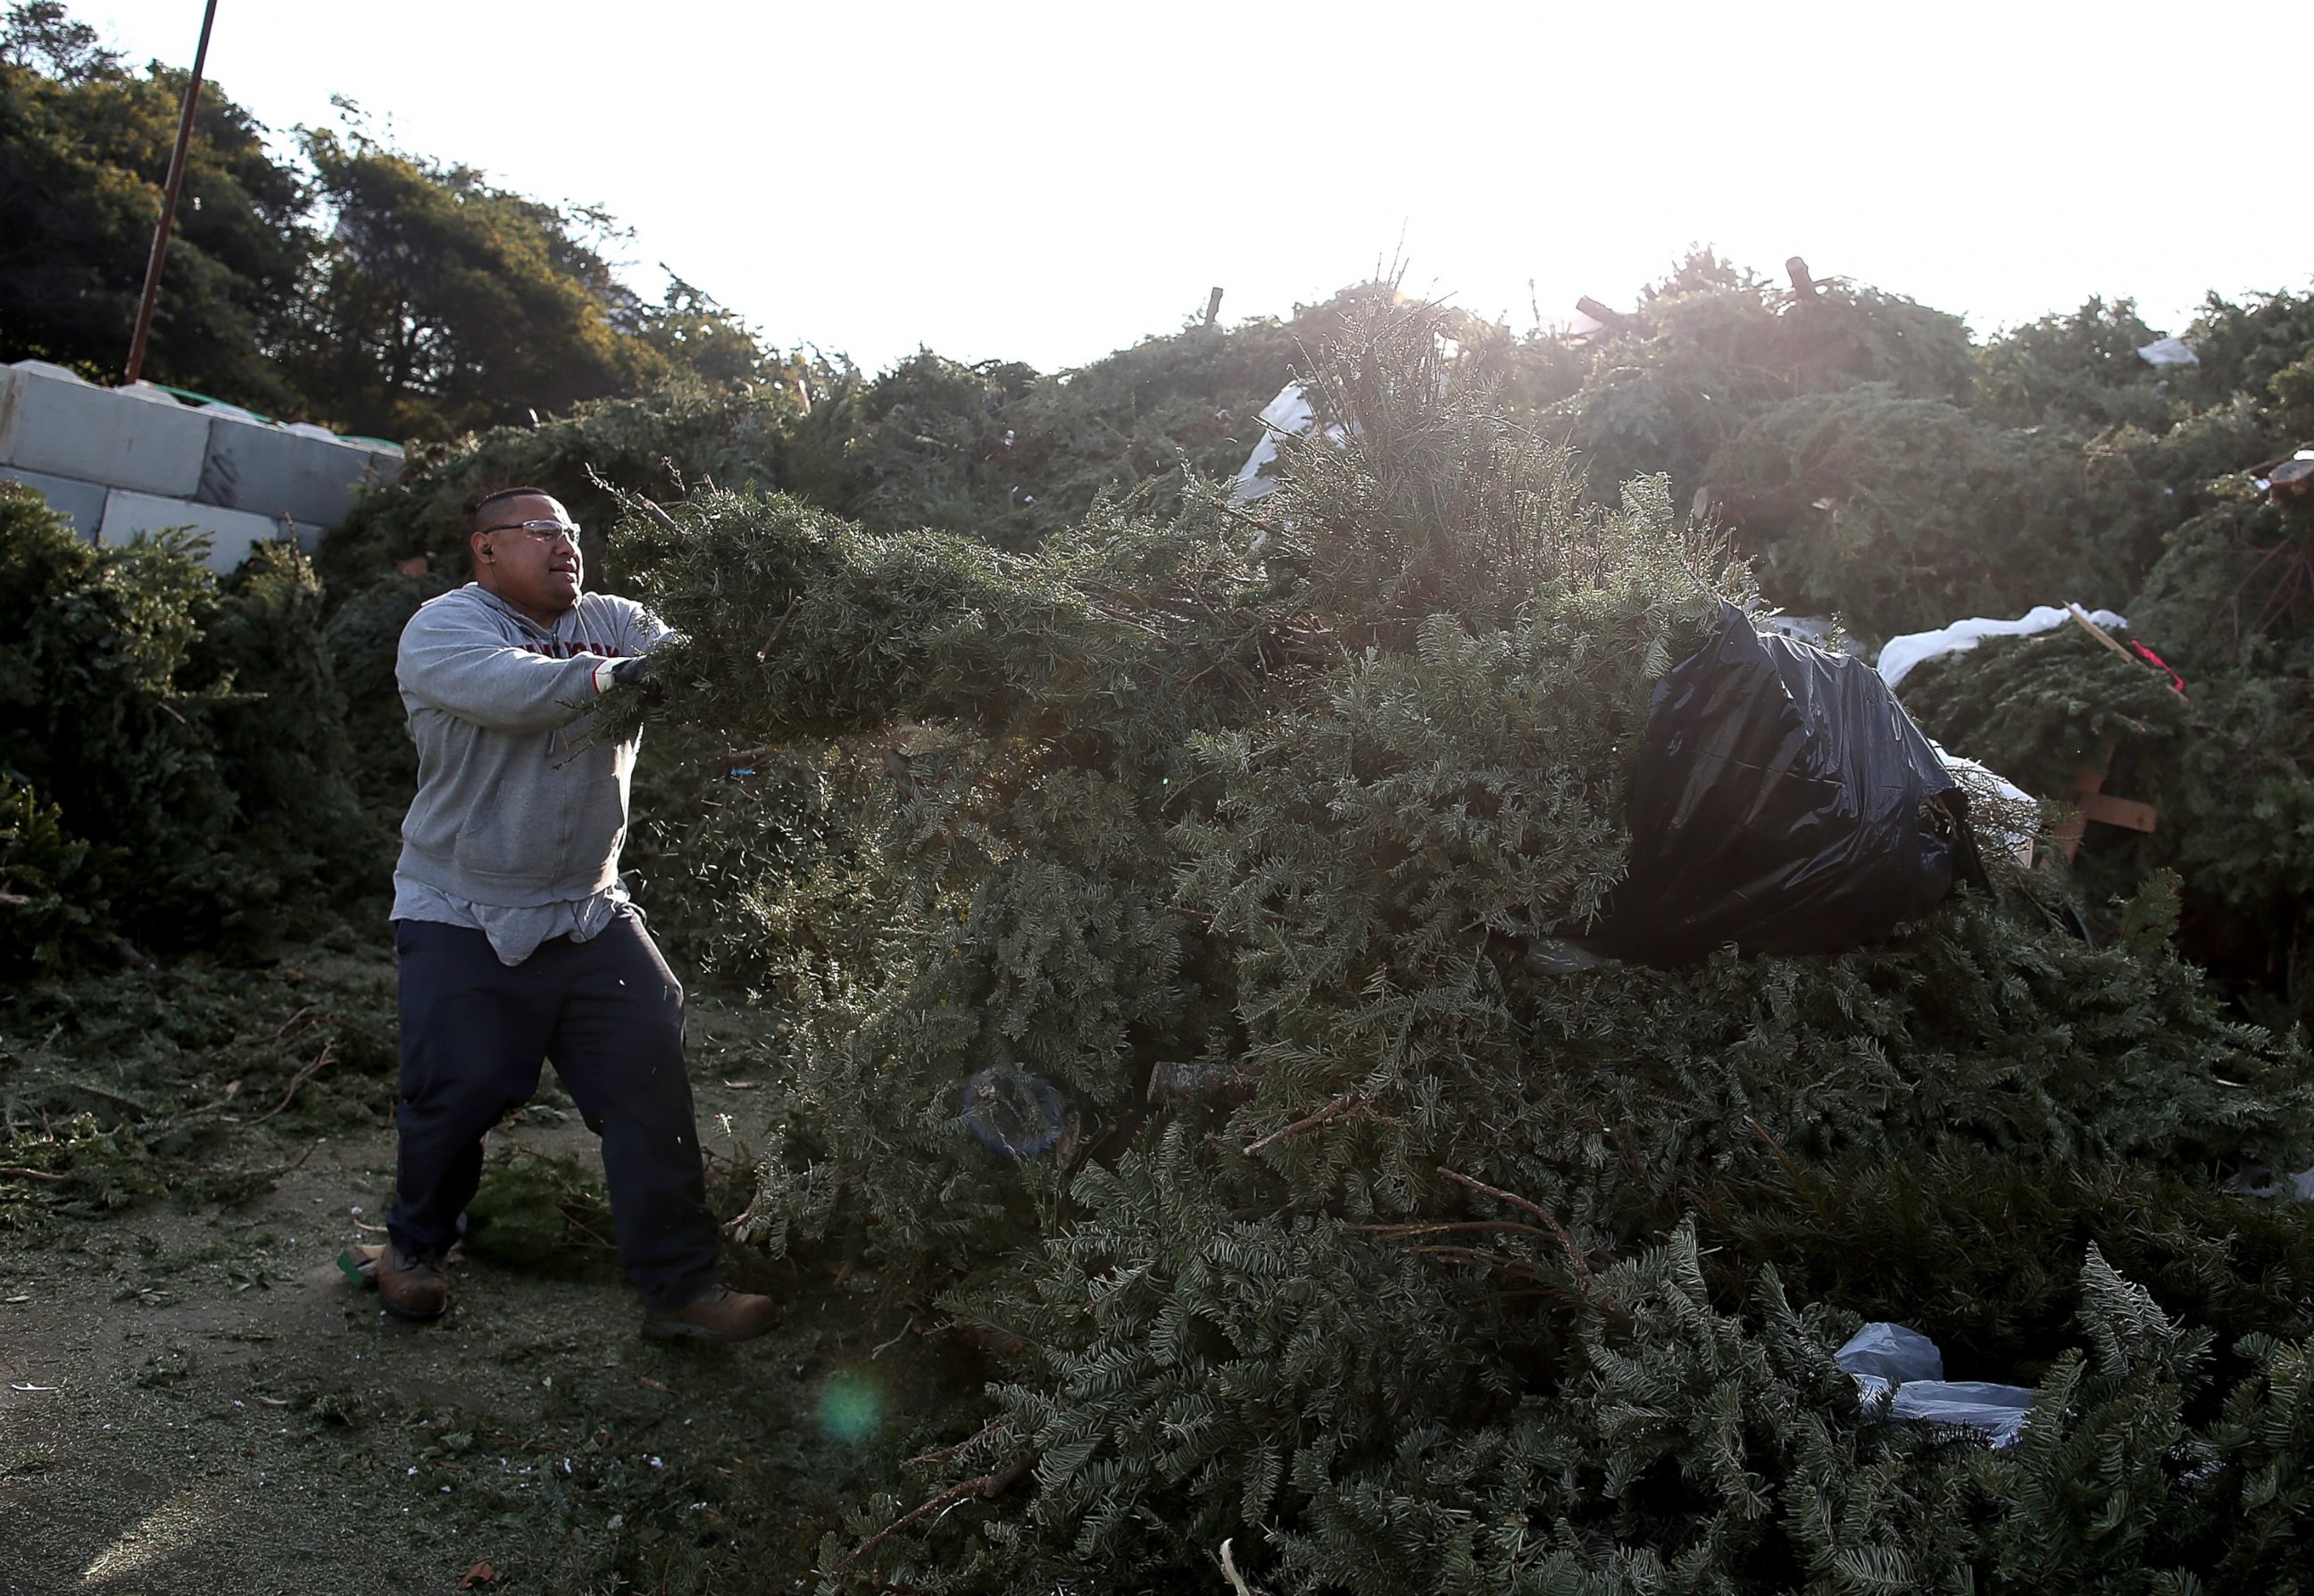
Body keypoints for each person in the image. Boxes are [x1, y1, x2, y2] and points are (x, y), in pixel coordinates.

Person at [377, 486, 773, 1342]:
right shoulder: (445, 628)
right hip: (461, 908)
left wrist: (746, 658)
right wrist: (615, 676)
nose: (567, 547)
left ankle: (682, 1291)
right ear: (486, 547)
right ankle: (413, 1250)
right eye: (544, 532)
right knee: (457, 1093)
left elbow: (689, 666)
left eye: (574, 533)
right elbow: (512, 692)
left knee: (650, 1093)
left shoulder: (619, 617)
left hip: (590, 909)